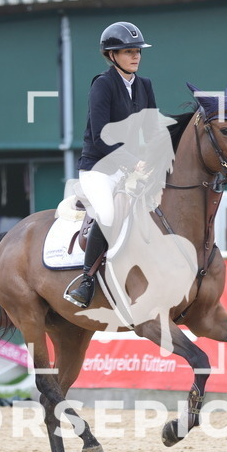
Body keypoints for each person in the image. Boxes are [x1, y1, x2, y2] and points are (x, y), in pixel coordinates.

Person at [65, 21, 157, 308]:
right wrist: (133, 162)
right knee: (107, 213)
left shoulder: (144, 85)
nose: (136, 56)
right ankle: (86, 280)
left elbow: (152, 130)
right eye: (128, 51)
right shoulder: (102, 85)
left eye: (138, 51)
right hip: (99, 168)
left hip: (131, 169)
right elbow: (100, 136)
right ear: (112, 55)